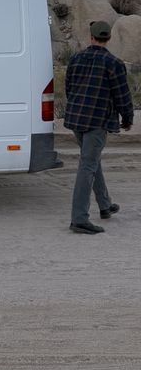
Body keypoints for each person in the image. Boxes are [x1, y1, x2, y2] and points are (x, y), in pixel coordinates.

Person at [64, 20, 134, 233]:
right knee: (88, 165)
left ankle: (105, 205)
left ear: (91, 37)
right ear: (109, 38)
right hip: (97, 122)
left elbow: (69, 88)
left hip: (77, 119)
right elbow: (122, 96)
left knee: (92, 161)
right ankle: (79, 219)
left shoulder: (76, 58)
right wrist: (127, 119)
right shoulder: (114, 63)